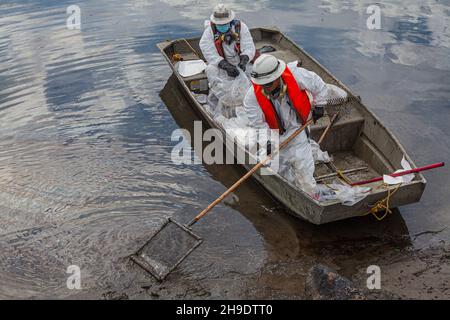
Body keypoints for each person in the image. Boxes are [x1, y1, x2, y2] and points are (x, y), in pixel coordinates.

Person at [243, 54, 347, 194]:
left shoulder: (297, 76)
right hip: (274, 136)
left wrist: (320, 106)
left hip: (298, 130)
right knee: (271, 169)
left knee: (304, 172)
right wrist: (266, 142)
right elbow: (258, 125)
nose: (266, 88)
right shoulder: (251, 97)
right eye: (262, 85)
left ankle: (309, 194)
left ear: (278, 77)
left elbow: (318, 85)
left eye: (268, 84)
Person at [199, 4, 256, 117]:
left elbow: (249, 45)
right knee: (210, 70)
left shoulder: (241, 27)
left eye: (225, 24)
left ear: (230, 21)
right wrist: (223, 64)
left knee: (255, 74)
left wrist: (244, 59)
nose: (223, 26)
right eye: (220, 24)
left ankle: (249, 102)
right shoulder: (210, 31)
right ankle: (221, 101)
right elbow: (207, 49)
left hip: (239, 63)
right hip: (222, 64)